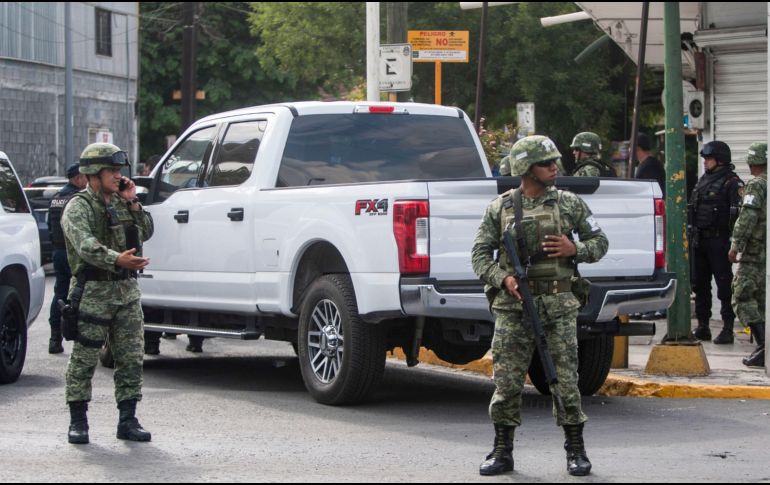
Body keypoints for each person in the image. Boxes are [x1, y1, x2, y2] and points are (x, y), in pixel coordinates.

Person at [471, 135, 608, 477]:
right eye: (546, 163)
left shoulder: (569, 204)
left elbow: (600, 242)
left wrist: (574, 250)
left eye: (554, 162)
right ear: (525, 168)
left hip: (559, 305)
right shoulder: (500, 207)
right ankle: (502, 450)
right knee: (507, 382)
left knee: (565, 380)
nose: (554, 168)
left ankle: (575, 449)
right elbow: (478, 256)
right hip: (514, 308)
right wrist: (504, 278)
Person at [60, 143, 154, 445]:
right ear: (92, 174)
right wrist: (117, 259)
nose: (118, 176)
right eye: (111, 171)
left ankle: (127, 420)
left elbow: (147, 230)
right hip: (93, 292)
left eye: (119, 172)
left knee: (130, 357)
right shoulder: (78, 207)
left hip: (126, 291)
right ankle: (78, 421)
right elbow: (85, 245)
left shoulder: (121, 201)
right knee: (85, 358)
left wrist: (133, 202)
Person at [688, 141, 743, 344]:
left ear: (720, 160)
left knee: (724, 285)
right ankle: (703, 326)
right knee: (700, 285)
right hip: (700, 240)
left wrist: (734, 243)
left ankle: (728, 327)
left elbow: (739, 215)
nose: (705, 162)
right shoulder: (704, 180)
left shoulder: (732, 182)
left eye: (708, 158)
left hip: (719, 240)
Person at [729, 142, 766, 367]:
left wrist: (736, 245)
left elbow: (747, 218)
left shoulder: (757, 185)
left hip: (755, 253)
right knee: (762, 300)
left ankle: (764, 346)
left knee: (741, 295)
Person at [46, 163, 87, 354]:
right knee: (83, 293)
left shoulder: (56, 198)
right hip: (74, 252)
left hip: (58, 252)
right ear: (77, 178)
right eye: (85, 177)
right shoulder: (76, 199)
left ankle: (55, 338)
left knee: (60, 293)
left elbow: (49, 227)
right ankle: (83, 339)